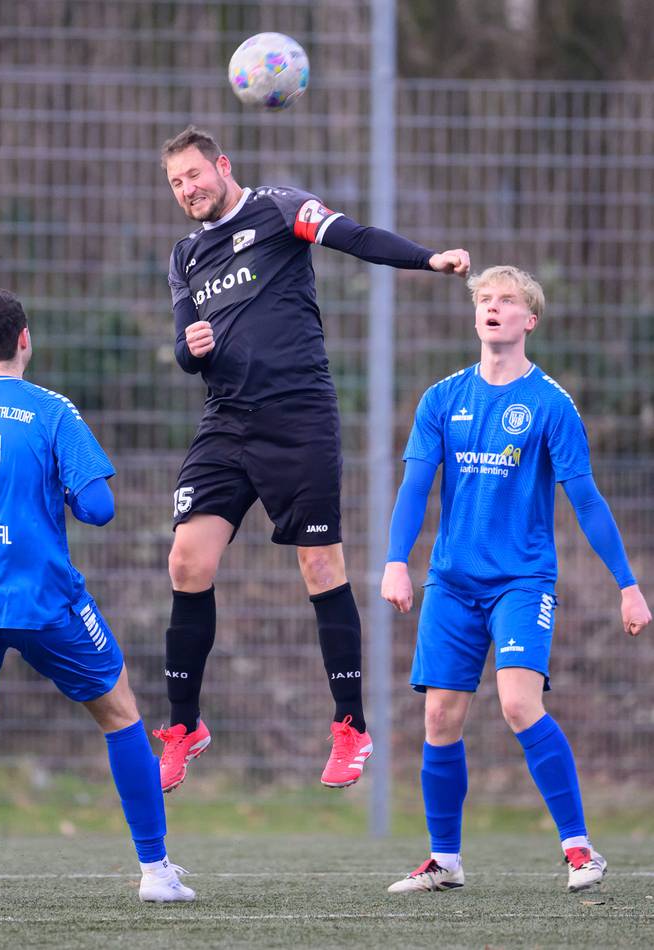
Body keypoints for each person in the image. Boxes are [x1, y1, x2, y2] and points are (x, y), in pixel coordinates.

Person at [154, 125, 471, 793]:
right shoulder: (184, 255)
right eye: (176, 183)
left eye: (194, 175)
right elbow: (185, 348)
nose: (187, 190)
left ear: (222, 165)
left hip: (298, 417)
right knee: (187, 560)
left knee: (320, 563)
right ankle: (185, 725)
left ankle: (350, 725)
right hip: (225, 422)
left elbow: (353, 237)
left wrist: (429, 259)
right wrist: (194, 348)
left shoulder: (277, 208)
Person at [0, 289, 194, 904]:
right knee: (120, 713)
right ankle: (155, 871)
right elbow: (99, 508)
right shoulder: (52, 411)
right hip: (43, 597)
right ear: (25, 339)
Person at [380, 265, 651, 894]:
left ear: (530, 320)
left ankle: (580, 849)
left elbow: (585, 500)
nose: (492, 308)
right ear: (475, 317)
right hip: (451, 584)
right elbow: (415, 487)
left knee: (517, 704)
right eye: (484, 300)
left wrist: (627, 583)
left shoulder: (550, 404)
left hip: (522, 583)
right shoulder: (441, 399)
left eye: (507, 301)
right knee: (440, 718)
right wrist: (397, 561)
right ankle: (445, 861)